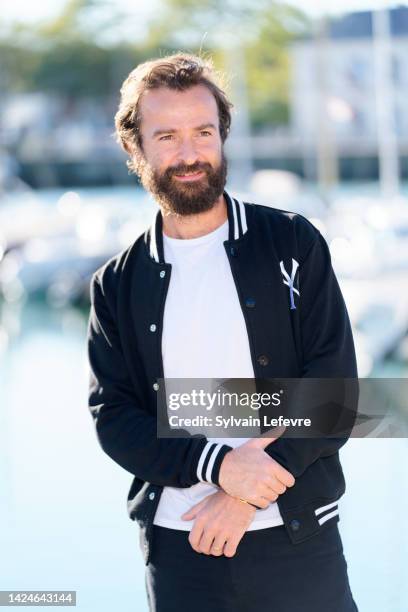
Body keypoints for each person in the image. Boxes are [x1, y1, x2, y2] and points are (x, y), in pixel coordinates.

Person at [86, 52, 359, 611]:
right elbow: (115, 418)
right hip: (180, 548)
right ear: (135, 148)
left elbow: (335, 394)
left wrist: (243, 496)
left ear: (223, 135)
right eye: (166, 137)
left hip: (298, 539)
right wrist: (217, 466)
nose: (189, 154)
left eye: (203, 132)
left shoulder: (291, 243)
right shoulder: (116, 284)